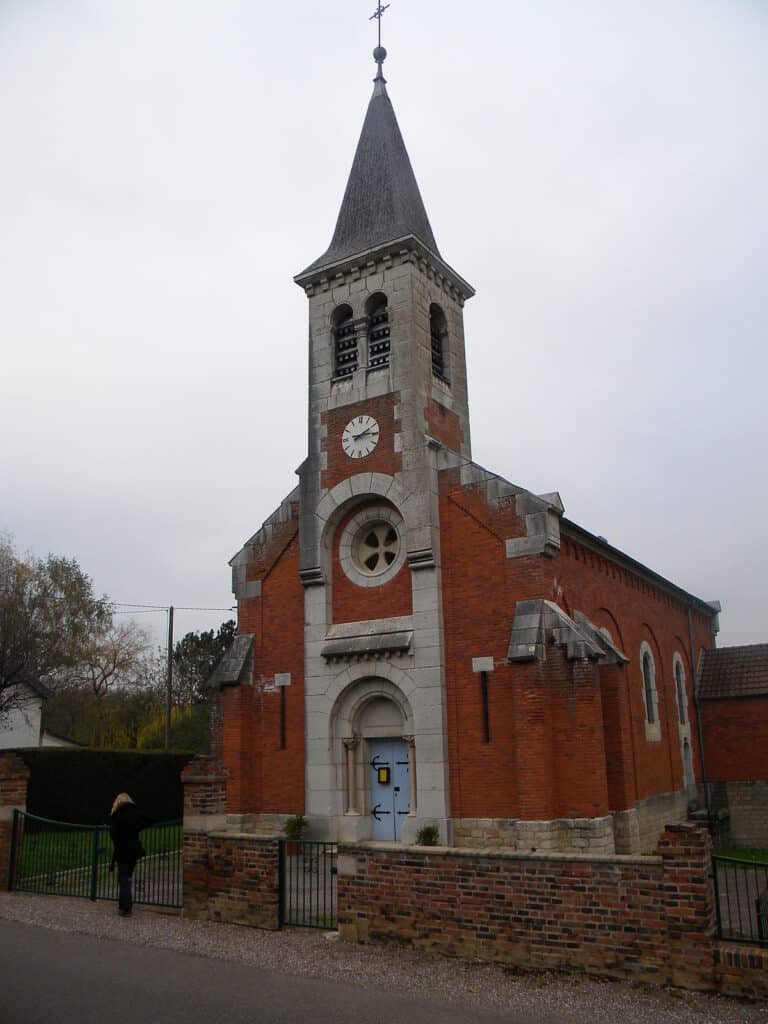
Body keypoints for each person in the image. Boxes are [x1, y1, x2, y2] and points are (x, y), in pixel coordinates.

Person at [109, 793, 149, 916]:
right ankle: (125, 905)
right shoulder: (134, 814)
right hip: (133, 852)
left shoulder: (117, 815)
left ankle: (125, 907)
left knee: (124, 879)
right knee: (127, 878)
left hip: (122, 852)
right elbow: (144, 822)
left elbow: (113, 834)